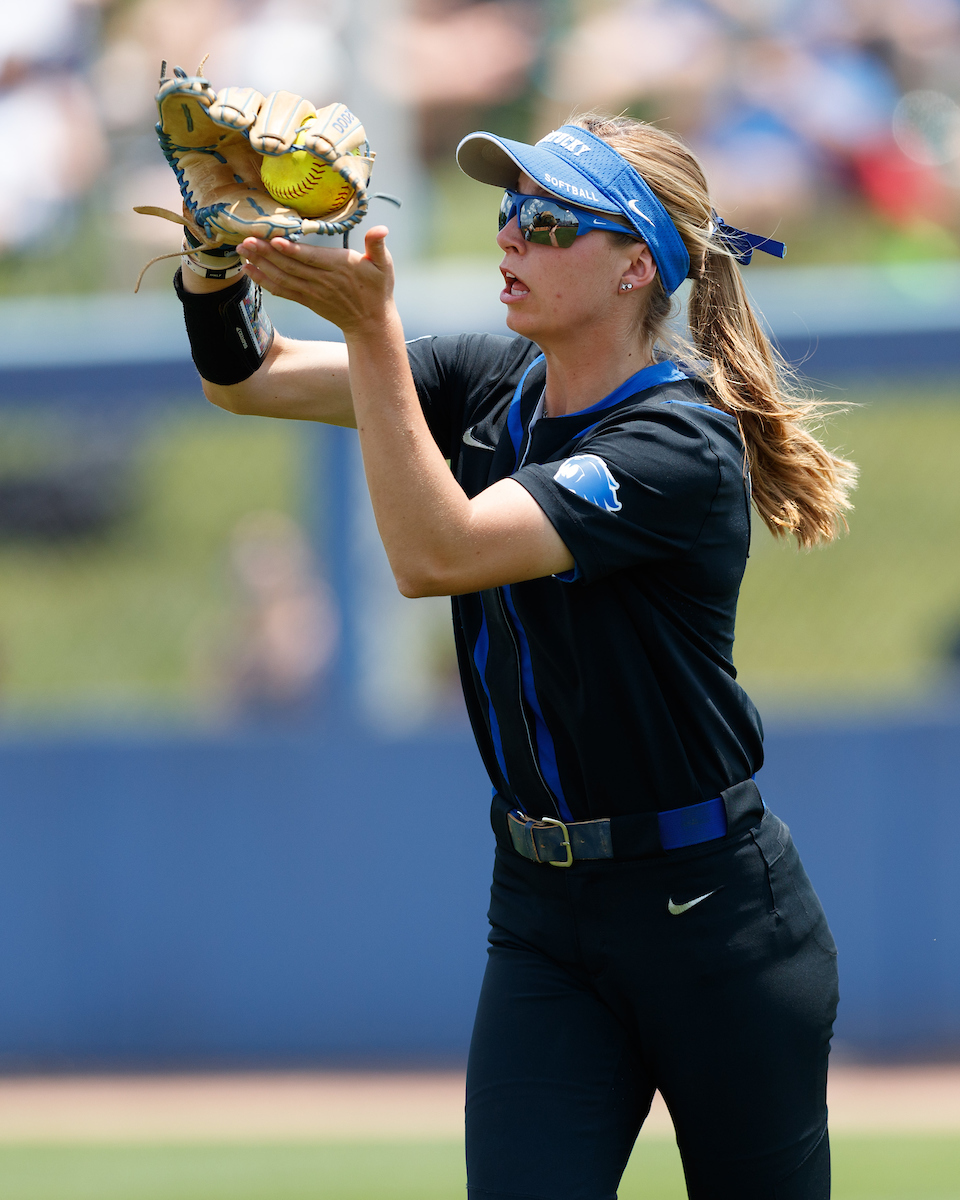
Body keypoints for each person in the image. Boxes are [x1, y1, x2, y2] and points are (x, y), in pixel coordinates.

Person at [173, 112, 856, 1199]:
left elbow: (436, 554)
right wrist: (216, 264)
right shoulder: (494, 380)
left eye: (547, 220)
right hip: (543, 917)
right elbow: (243, 376)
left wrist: (372, 330)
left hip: (714, 923)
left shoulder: (675, 444)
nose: (511, 239)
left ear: (638, 263)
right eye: (507, 213)